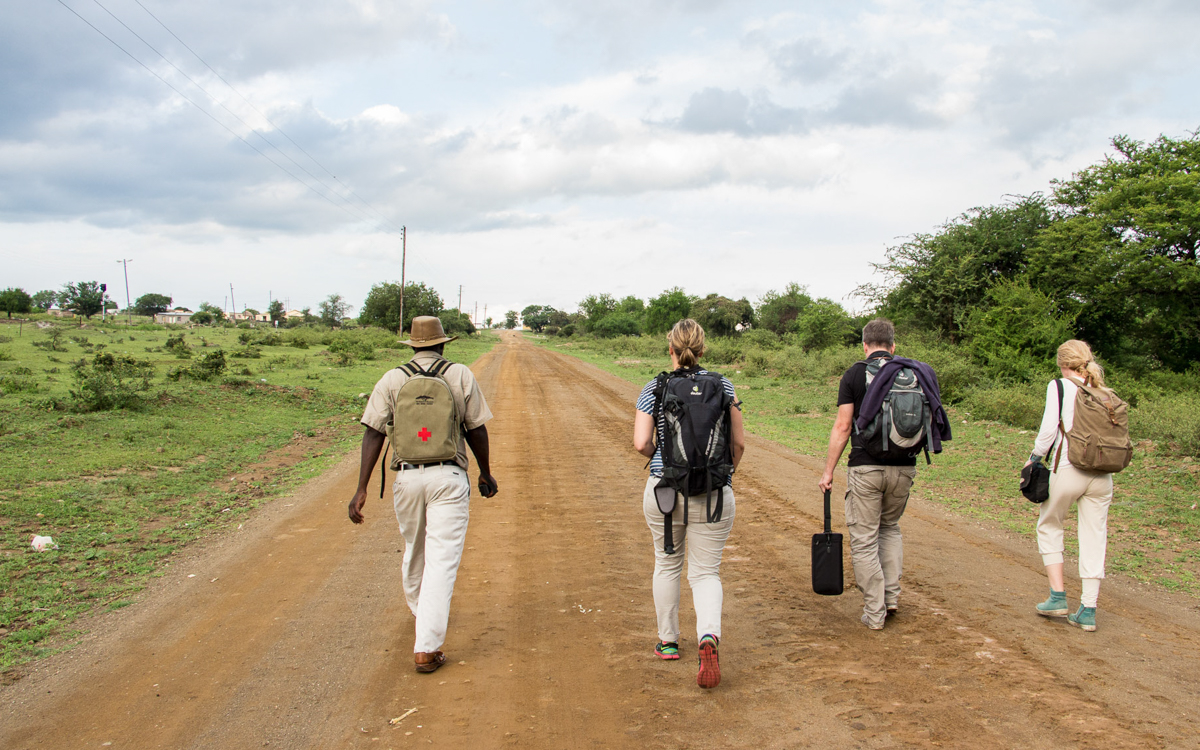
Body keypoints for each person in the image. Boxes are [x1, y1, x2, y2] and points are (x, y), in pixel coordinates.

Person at [348, 316, 499, 672]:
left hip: (407, 478)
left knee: (415, 549)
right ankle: (426, 647)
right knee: (442, 558)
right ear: (443, 343)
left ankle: (422, 614)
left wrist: (361, 488)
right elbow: (476, 429)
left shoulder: (392, 379)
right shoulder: (460, 374)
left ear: (413, 345)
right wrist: (485, 472)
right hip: (448, 476)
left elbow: (373, 433)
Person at [633, 318, 745, 689]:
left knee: (666, 564)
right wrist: (724, 475)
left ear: (671, 349)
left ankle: (667, 642)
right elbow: (739, 444)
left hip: (666, 490)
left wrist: (660, 458)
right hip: (712, 492)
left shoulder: (655, 386)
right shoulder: (724, 385)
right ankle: (708, 637)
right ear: (703, 349)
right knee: (706, 572)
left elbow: (641, 443)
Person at [818, 318, 937, 630]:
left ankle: (875, 611)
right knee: (890, 529)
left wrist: (828, 471)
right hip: (905, 467)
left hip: (865, 467)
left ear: (865, 345)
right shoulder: (912, 373)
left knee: (865, 538)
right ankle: (891, 597)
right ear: (893, 345)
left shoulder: (855, 374)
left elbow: (843, 426)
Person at [1026, 340, 1114, 632]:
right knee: (1094, 537)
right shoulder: (1103, 391)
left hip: (1069, 467)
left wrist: (1034, 458)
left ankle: (1057, 596)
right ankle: (1088, 609)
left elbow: (1049, 430)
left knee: (1049, 524)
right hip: (1102, 474)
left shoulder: (1060, 386)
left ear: (1061, 363)